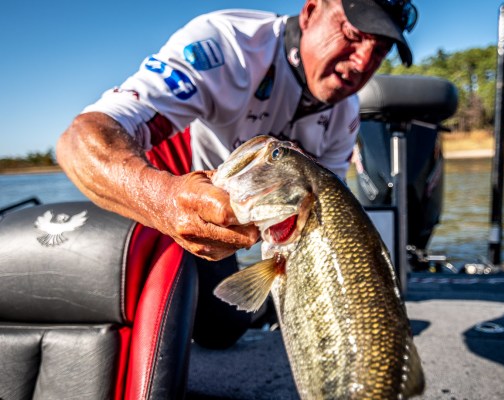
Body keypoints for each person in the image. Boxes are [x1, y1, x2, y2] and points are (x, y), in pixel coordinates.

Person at [57, 0, 418, 348]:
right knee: (166, 322)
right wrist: (165, 202)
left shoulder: (346, 113)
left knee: (223, 328)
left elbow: (323, 219)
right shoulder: (226, 45)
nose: (363, 62)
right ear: (310, 12)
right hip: (162, 199)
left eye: (380, 50)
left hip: (239, 223)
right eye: (352, 35)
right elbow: (79, 139)